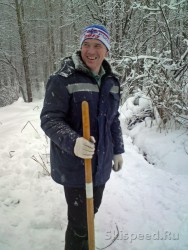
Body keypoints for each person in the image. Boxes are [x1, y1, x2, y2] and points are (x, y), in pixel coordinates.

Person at [40, 24, 125, 250]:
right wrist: (73, 141)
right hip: (75, 166)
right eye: (86, 44)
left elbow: (113, 119)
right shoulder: (63, 79)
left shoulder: (111, 81)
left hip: (101, 164)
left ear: (106, 50)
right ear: (80, 47)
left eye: (98, 45)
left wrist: (118, 150)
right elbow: (49, 119)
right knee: (79, 221)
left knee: (92, 209)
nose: (91, 51)